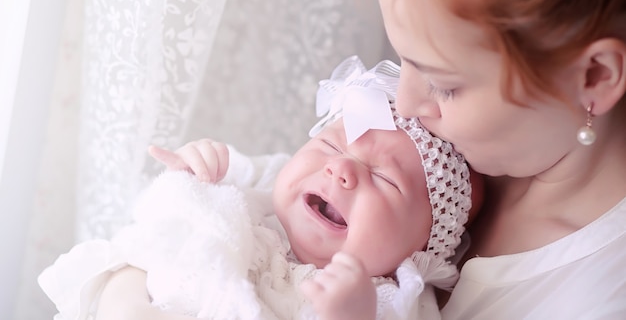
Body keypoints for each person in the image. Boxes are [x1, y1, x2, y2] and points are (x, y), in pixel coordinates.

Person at [39, 57, 481, 320]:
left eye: (384, 179)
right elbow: (176, 224)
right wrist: (201, 168)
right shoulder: (257, 206)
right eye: (328, 144)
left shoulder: (394, 300)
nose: (341, 170)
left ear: (422, 250)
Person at [376, 0, 626, 318]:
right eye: (402, 58)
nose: (405, 105)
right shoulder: (428, 151)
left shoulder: (596, 299)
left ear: (594, 76)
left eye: (443, 84)